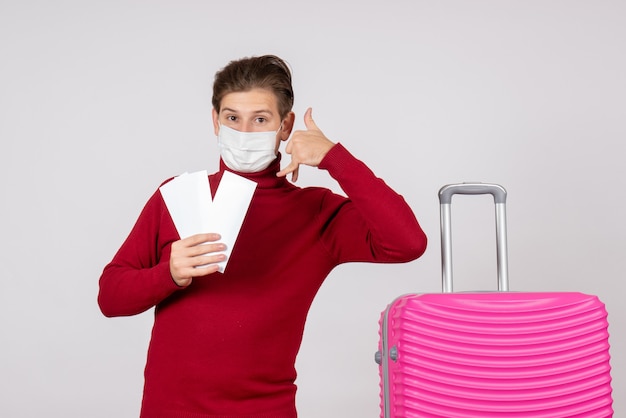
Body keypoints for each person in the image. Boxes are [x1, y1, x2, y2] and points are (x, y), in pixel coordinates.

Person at [98, 54, 427, 418]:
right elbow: (110, 296)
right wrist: (168, 274)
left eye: (260, 119)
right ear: (215, 121)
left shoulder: (315, 213)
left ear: (285, 127)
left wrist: (336, 158)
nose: (244, 132)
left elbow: (407, 242)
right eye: (232, 118)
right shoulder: (177, 197)